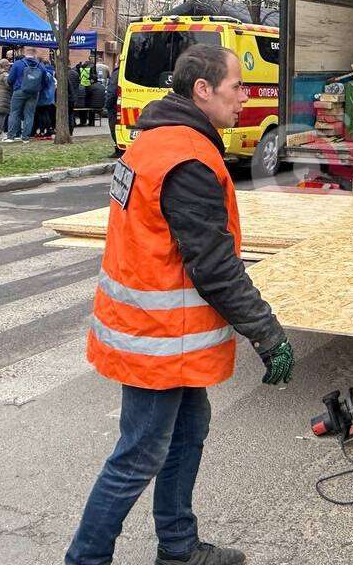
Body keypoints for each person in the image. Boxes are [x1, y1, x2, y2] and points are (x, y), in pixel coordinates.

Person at [65, 44, 292, 565]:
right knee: (138, 455)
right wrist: (267, 332)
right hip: (157, 340)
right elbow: (213, 265)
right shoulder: (186, 159)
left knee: (187, 434)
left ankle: (178, 547)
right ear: (203, 91)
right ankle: (85, 559)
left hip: (165, 332)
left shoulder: (153, 143)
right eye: (238, 87)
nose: (246, 97)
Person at [4, 48, 43, 143]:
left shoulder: (17, 64)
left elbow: (10, 79)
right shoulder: (40, 65)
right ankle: (25, 137)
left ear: (25, 54)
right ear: (35, 55)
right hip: (34, 92)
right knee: (29, 115)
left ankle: (11, 136)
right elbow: (45, 80)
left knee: (14, 113)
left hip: (19, 90)